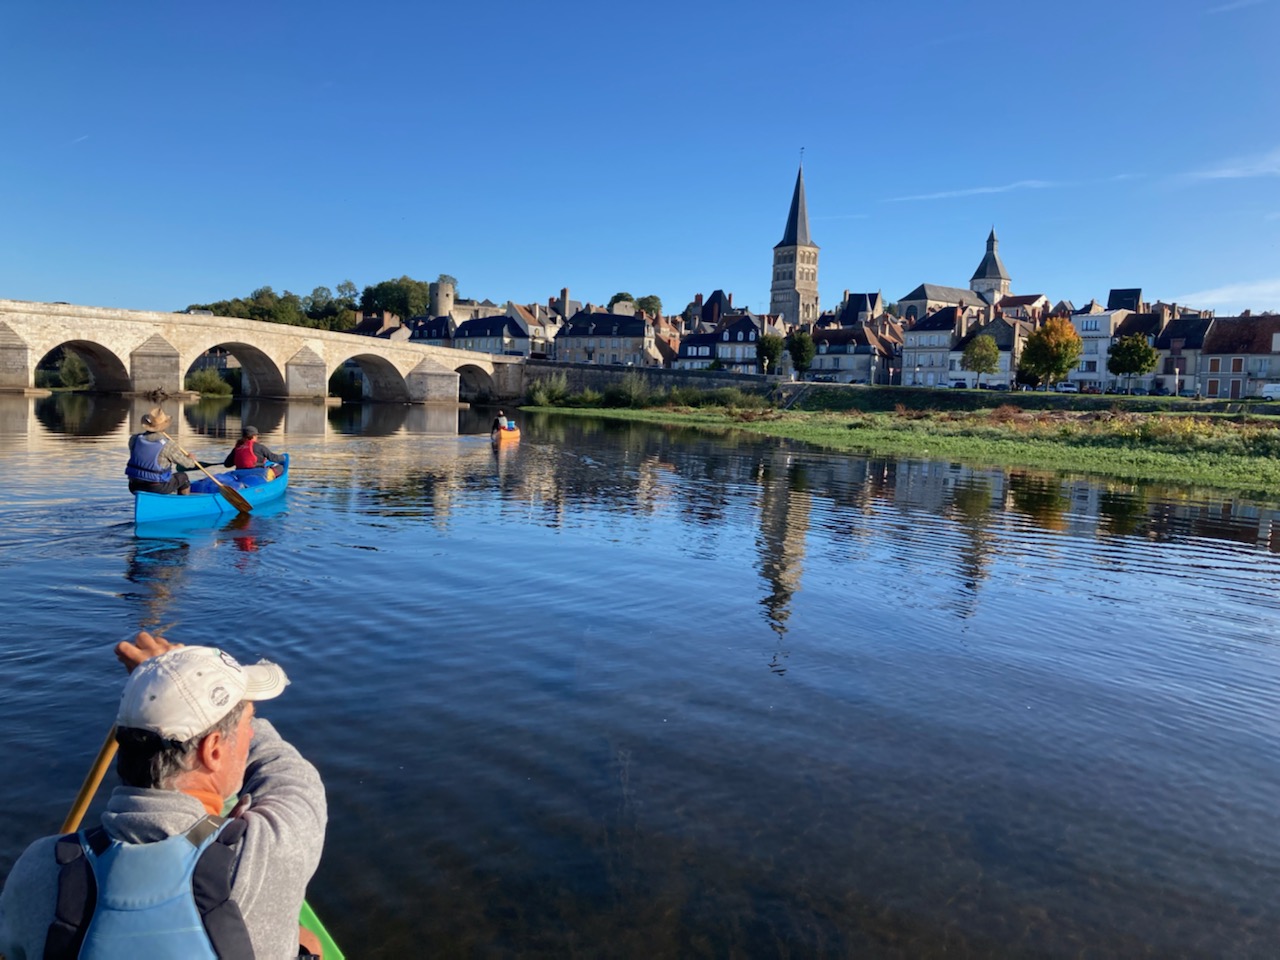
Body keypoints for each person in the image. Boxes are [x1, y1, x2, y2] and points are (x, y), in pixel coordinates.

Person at [0, 632, 328, 959]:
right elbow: (282, 766)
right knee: (308, 943)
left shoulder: (40, 866)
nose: (252, 732)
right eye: (249, 721)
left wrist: (157, 688)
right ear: (213, 749)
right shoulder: (270, 850)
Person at [125, 407, 202, 495]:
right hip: (156, 487)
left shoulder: (134, 439)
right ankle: (182, 505)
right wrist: (191, 459)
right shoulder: (168, 445)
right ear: (164, 426)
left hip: (134, 485)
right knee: (183, 478)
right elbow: (188, 464)